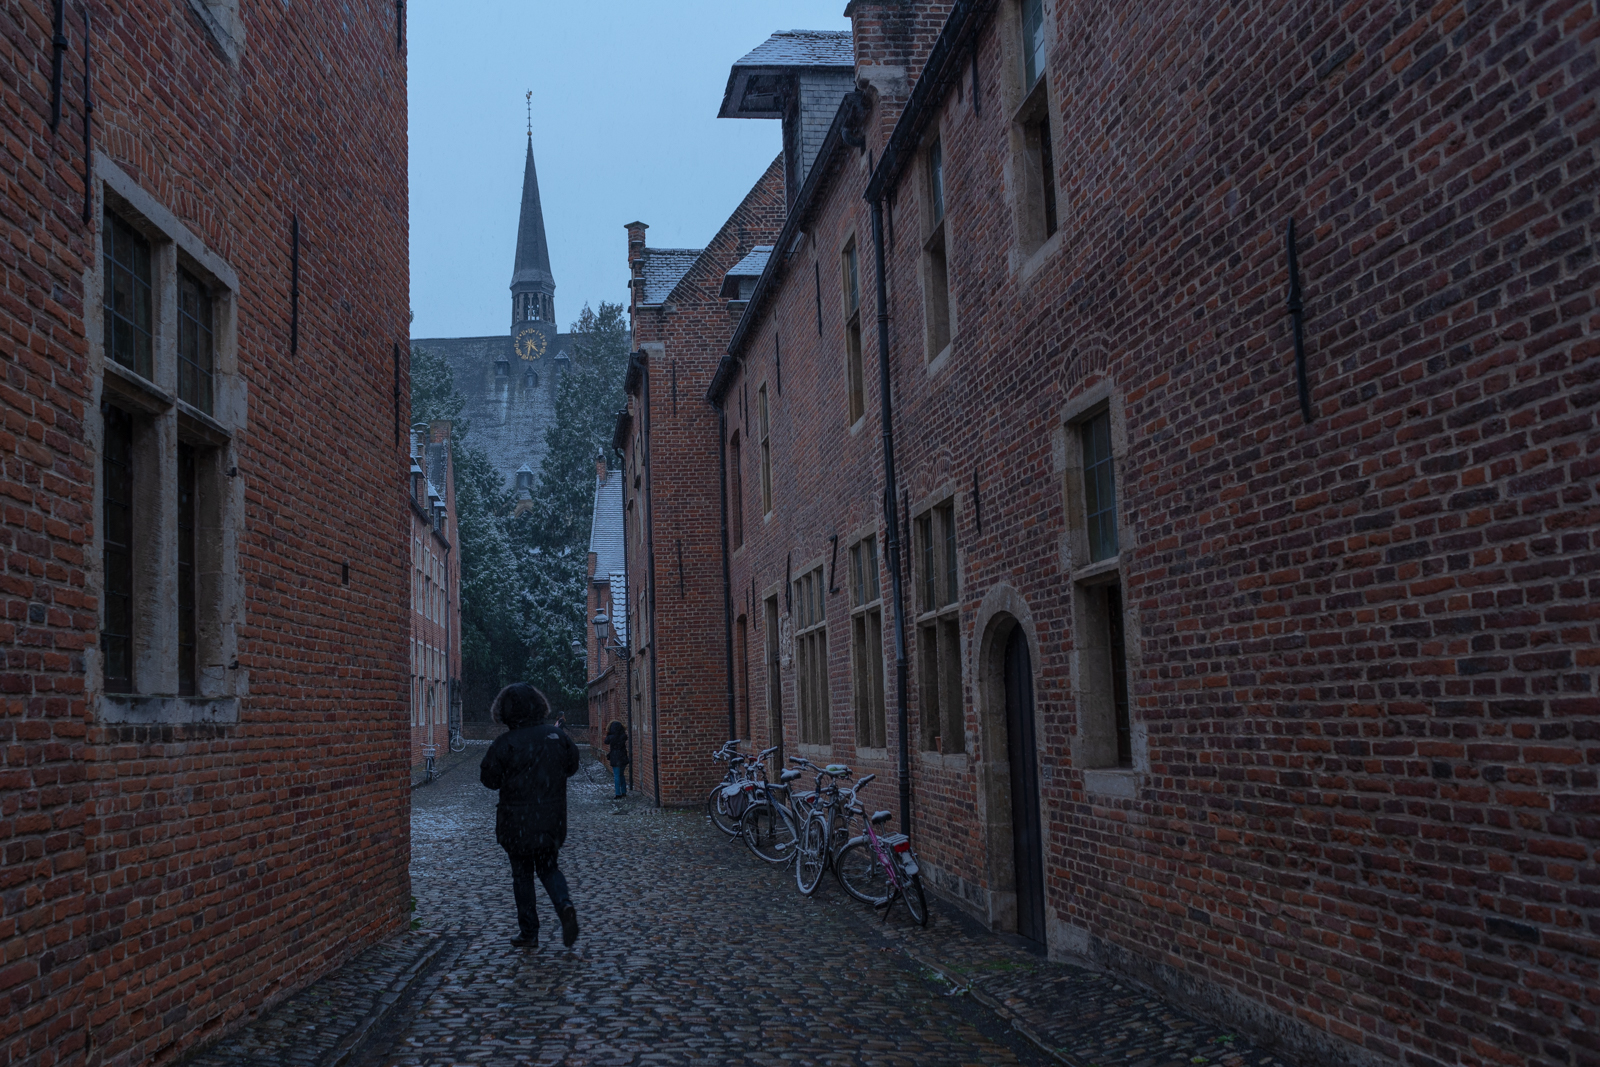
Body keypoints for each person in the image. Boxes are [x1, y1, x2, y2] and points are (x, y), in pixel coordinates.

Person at [479, 683, 581, 949]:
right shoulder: (556, 737)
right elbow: (572, 765)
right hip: (551, 819)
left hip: (516, 824)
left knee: (522, 875)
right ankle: (564, 905)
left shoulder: (505, 744)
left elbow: (488, 779)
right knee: (549, 868)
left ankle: (529, 932)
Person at [604, 721, 629, 798]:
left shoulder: (611, 737)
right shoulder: (623, 736)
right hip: (623, 757)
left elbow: (606, 741)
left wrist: (609, 734)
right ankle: (624, 791)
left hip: (615, 758)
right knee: (621, 775)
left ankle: (618, 793)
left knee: (617, 776)